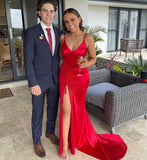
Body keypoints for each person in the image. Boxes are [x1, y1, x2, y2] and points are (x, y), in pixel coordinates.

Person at [58, 8, 127, 160]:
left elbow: (93, 59)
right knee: (66, 110)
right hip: (65, 76)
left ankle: (77, 135)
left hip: (81, 78)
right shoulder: (63, 38)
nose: (70, 23)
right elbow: (62, 57)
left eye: (72, 19)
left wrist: (85, 64)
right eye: (66, 21)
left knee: (78, 109)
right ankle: (64, 146)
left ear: (79, 19)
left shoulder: (88, 38)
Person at [24, 0, 62, 158]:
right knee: (37, 111)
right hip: (39, 81)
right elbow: (28, 61)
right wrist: (33, 83)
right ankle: (36, 140)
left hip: (55, 79)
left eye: (51, 11)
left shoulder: (60, 33)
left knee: (53, 108)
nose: (49, 14)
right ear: (39, 12)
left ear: (54, 13)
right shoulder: (31, 32)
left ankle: (50, 132)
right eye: (45, 11)